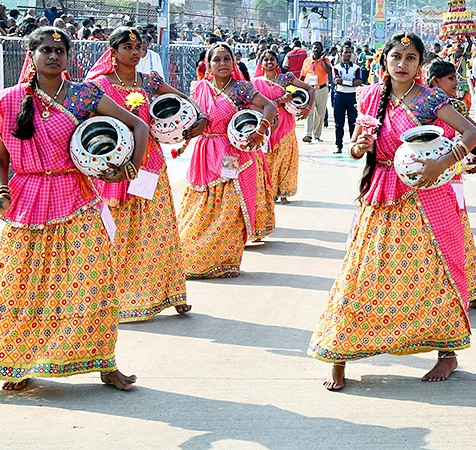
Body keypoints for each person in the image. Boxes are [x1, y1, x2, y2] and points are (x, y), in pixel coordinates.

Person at [0, 26, 149, 391]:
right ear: (31, 55)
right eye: (46, 50)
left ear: (68, 57)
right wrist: (1, 192)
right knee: (23, 286)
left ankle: (104, 363)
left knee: (92, 282)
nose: (53, 56)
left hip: (76, 197)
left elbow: (137, 125)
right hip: (28, 201)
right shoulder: (8, 100)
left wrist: (131, 168)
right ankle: (17, 362)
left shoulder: (84, 96)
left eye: (60, 50)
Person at [309, 32, 476, 389]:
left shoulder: (431, 99)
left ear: (420, 64)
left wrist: (445, 162)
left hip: (427, 196)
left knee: (435, 273)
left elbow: (473, 132)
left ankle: (447, 354)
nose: (402, 64)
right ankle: (339, 350)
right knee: (361, 273)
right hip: (382, 194)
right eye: (396, 57)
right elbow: (360, 150)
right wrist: (358, 147)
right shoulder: (371, 96)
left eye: (410, 58)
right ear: (383, 60)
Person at [85, 27, 196, 321]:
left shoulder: (149, 83)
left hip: (149, 165)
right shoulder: (98, 85)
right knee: (117, 233)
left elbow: (185, 102)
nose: (135, 52)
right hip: (113, 165)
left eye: (139, 47)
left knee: (158, 229)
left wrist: (198, 117)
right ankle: (114, 297)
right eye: (127, 46)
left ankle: (171, 293)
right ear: (113, 51)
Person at [178, 43, 278, 278]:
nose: (222, 64)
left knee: (230, 209)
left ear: (233, 62)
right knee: (201, 206)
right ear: (208, 64)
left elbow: (270, 107)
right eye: (217, 60)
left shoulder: (241, 88)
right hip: (204, 154)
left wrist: (259, 131)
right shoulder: (199, 88)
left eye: (226, 59)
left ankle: (226, 262)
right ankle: (193, 257)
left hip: (233, 154)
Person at [426, 59, 476, 314]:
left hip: (452, 180)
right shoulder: (422, 107)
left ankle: (470, 293)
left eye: (456, 77)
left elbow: (474, 130)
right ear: (436, 81)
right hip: (428, 183)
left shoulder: (453, 105)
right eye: (451, 78)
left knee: (461, 236)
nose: (457, 82)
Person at [252, 50, 313, 205]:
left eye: (272, 59)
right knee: (268, 160)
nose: (269, 62)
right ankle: (270, 194)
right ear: (261, 64)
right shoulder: (256, 82)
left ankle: (284, 193)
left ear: (277, 62)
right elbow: (254, 104)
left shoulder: (286, 79)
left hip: (285, 124)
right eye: (265, 60)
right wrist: (280, 99)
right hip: (267, 124)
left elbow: (310, 89)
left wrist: (307, 108)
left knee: (285, 159)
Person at [331, 44, 365, 154]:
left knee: (353, 122)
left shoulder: (356, 68)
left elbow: (359, 82)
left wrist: (345, 82)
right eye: (345, 52)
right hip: (339, 96)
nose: (348, 54)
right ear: (341, 54)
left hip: (352, 97)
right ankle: (338, 146)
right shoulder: (336, 68)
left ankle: (353, 146)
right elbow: (336, 81)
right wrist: (351, 83)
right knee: (339, 123)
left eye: (349, 52)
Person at [301, 42, 333, 143]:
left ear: (321, 50)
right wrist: (300, 89)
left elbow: (329, 71)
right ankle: (308, 134)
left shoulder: (326, 60)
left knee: (320, 113)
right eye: (314, 48)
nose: (316, 50)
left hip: (322, 89)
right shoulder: (307, 61)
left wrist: (323, 60)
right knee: (309, 112)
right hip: (310, 90)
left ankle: (317, 135)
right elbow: (302, 76)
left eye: (318, 48)